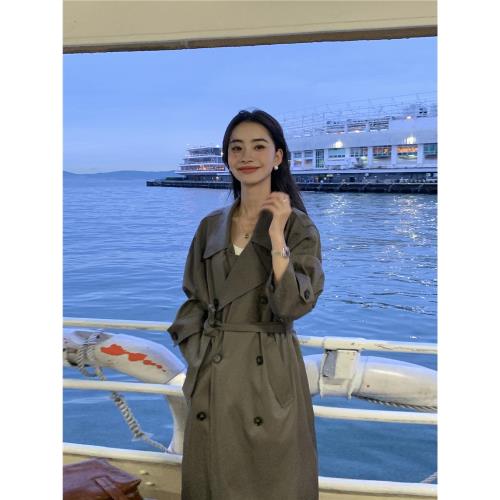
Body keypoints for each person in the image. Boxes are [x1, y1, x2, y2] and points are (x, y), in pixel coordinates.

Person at [167, 109, 325, 500]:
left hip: (268, 368)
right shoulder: (210, 225)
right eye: (236, 148)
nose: (246, 156)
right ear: (226, 158)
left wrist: (276, 235)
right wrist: (199, 354)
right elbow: (194, 299)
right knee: (212, 480)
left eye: (258, 146)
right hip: (214, 370)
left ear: (278, 156)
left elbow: (292, 306)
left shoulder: (298, 227)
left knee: (271, 480)